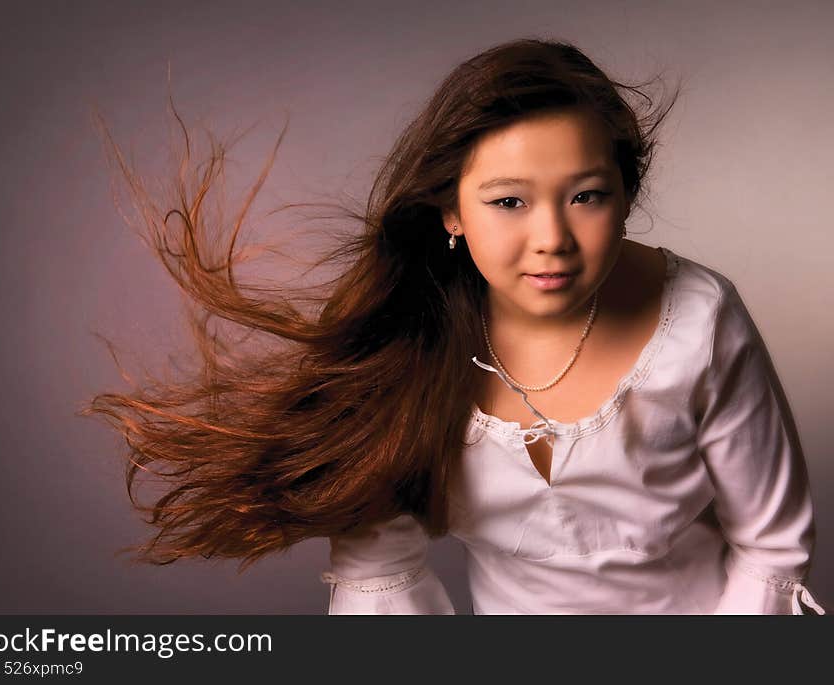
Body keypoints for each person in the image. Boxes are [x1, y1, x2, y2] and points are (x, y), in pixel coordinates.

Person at [86, 38, 825, 614]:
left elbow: (772, 546)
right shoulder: (405, 343)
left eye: (588, 196)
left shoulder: (698, 318)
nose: (552, 240)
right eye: (508, 201)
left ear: (626, 195)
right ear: (450, 210)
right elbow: (380, 569)